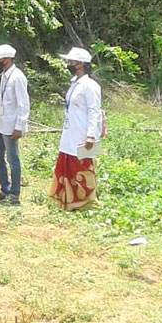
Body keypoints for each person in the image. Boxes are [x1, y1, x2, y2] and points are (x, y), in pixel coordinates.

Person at [50, 47, 102, 211]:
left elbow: (94, 111)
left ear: (81, 64)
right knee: (67, 163)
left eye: (72, 62)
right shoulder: (74, 84)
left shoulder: (90, 86)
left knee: (82, 166)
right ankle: (67, 199)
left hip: (82, 133)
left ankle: (84, 201)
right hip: (70, 131)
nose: (69, 64)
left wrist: (91, 136)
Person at [0, 44, 30, 205]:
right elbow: (8, 96)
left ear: (7, 59)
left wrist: (19, 126)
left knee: (13, 159)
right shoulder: (5, 75)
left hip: (11, 125)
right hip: (1, 124)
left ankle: (15, 194)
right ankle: (5, 188)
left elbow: (23, 104)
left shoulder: (18, 77)